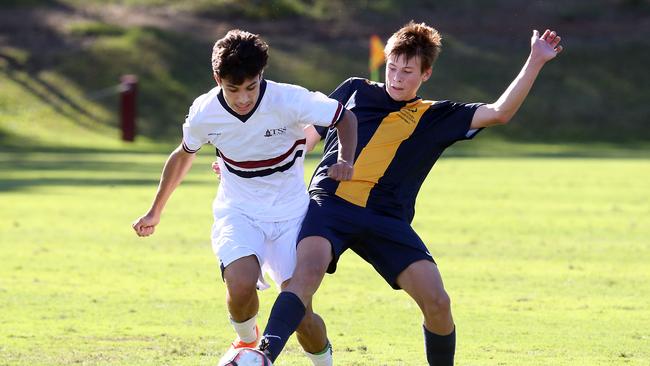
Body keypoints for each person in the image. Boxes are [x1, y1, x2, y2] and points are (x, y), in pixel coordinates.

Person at [256, 22, 563, 365]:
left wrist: (536, 59)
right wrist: (253, 166)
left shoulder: (434, 116)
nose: (396, 77)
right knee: (305, 277)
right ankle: (263, 355)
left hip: (386, 220)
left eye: (407, 71)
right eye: (391, 67)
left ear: (426, 73)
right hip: (329, 205)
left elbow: (500, 112)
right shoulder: (354, 89)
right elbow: (305, 138)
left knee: (438, 302)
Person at [131, 29, 357, 366]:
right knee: (239, 284)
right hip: (238, 212)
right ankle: (247, 343)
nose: (243, 99)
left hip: (292, 216)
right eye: (233, 89)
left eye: (251, 87)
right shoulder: (205, 112)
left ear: (261, 75)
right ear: (217, 78)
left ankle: (323, 362)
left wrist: (345, 160)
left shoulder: (290, 100)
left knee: (302, 316)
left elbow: (345, 118)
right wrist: (155, 211)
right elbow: (183, 154)